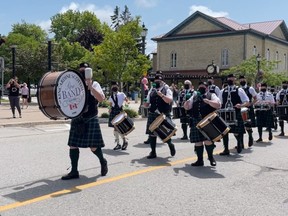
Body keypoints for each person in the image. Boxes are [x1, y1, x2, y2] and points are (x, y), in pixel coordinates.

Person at [61, 62, 108, 180]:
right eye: (81, 71)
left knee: (93, 147)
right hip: (77, 117)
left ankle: (103, 161)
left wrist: (90, 87)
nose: (83, 73)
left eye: (85, 71)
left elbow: (101, 99)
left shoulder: (95, 84)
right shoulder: (74, 84)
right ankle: (74, 171)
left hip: (90, 117)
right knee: (73, 145)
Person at [184, 82, 221, 166]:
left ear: (207, 88)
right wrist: (186, 102)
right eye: (200, 87)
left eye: (203, 87)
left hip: (208, 121)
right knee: (198, 142)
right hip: (196, 120)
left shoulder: (211, 95)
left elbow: (218, 105)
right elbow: (187, 107)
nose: (201, 89)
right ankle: (199, 160)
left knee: (208, 141)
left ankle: (211, 158)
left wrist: (208, 101)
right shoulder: (194, 96)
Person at [143, 74, 176, 159]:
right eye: (156, 81)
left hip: (163, 113)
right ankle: (153, 152)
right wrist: (145, 103)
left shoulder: (167, 89)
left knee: (165, 132)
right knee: (152, 134)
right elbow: (147, 103)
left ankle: (170, 144)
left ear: (162, 81)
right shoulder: (151, 90)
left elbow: (169, 100)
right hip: (153, 113)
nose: (157, 82)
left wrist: (161, 94)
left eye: (159, 81)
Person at [218, 74, 250, 155]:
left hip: (236, 113)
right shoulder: (222, 91)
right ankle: (226, 149)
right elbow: (219, 103)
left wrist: (241, 105)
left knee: (237, 131)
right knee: (225, 132)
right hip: (225, 114)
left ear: (235, 79)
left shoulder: (239, 90)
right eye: (229, 78)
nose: (230, 79)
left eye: (232, 78)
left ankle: (239, 143)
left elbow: (247, 102)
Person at [108, 82, 129, 150]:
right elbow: (127, 100)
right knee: (117, 128)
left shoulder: (117, 95)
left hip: (117, 112)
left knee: (118, 128)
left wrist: (127, 104)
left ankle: (123, 142)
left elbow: (110, 106)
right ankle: (120, 143)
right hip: (117, 112)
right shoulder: (117, 95)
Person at [239, 75, 257, 147]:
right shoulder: (238, 89)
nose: (242, 81)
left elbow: (256, 98)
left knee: (248, 125)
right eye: (240, 80)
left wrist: (251, 104)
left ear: (245, 79)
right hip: (240, 109)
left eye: (243, 79)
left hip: (248, 108)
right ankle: (241, 143)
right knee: (240, 126)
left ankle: (250, 137)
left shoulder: (250, 89)